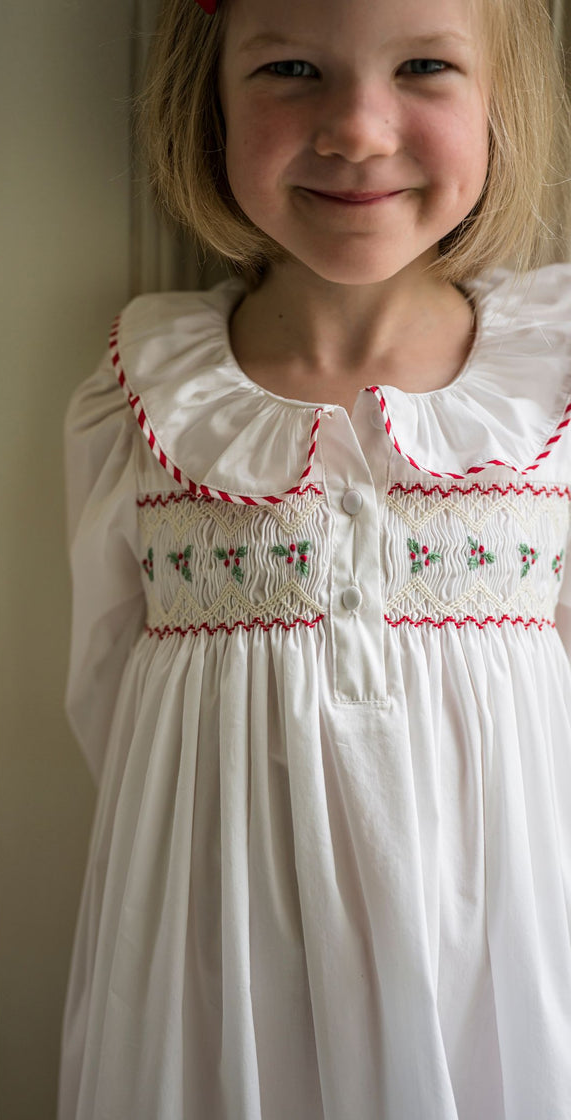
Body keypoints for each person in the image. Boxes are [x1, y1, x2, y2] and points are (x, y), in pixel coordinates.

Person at [59, 0, 571, 1115]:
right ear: (209, 96)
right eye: (292, 67)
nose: (355, 127)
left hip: (493, 970)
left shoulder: (550, 389)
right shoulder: (142, 399)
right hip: (222, 979)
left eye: (424, 67)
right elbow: (105, 693)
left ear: (502, 96)